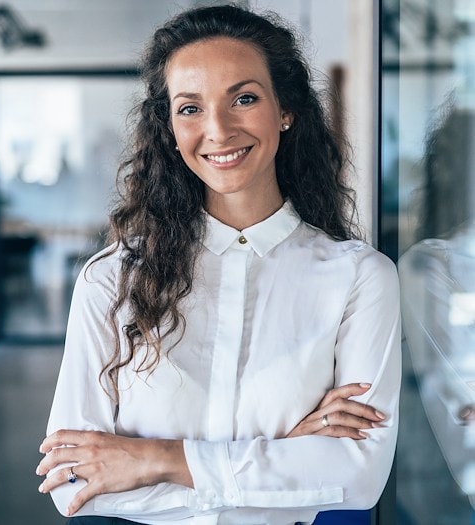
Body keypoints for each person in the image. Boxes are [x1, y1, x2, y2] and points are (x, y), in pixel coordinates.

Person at [35, 5, 401, 525]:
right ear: (169, 127)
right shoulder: (112, 278)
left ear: (285, 110)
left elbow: (358, 479)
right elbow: (73, 483)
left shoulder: (360, 279)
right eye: (190, 108)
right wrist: (285, 459)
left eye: (244, 98)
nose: (218, 129)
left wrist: (152, 460)